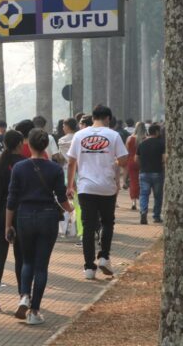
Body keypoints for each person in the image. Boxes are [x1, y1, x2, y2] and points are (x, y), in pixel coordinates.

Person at [6, 129, 73, 325]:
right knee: (41, 266)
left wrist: (8, 225)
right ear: (45, 146)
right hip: (48, 216)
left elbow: (12, 199)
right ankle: (34, 311)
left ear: (29, 145)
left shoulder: (19, 167)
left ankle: (24, 296)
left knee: (27, 261)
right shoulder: (54, 169)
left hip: (24, 215)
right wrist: (71, 209)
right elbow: (61, 197)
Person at [66, 105, 128, 280]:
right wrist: (114, 161)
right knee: (107, 222)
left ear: (93, 118)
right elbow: (124, 160)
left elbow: (71, 162)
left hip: (86, 187)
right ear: (108, 118)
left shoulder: (79, 135)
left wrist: (70, 186)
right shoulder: (113, 135)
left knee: (88, 226)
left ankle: (89, 268)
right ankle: (104, 257)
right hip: (107, 187)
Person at [0, 130, 25, 312]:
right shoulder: (24, 165)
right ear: (20, 144)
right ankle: (23, 296)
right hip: (19, 215)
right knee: (20, 257)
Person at [135, 124, 166, 224]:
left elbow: (136, 158)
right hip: (157, 172)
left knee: (144, 194)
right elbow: (164, 158)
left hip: (144, 173)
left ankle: (143, 212)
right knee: (158, 196)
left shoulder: (142, 144)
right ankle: (156, 216)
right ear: (156, 132)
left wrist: (142, 165)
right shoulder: (161, 144)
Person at [126, 122, 147, 210]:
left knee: (133, 181)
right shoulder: (145, 139)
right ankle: (143, 201)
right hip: (143, 161)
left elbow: (127, 151)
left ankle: (133, 201)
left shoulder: (130, 138)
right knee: (143, 182)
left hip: (131, 161)